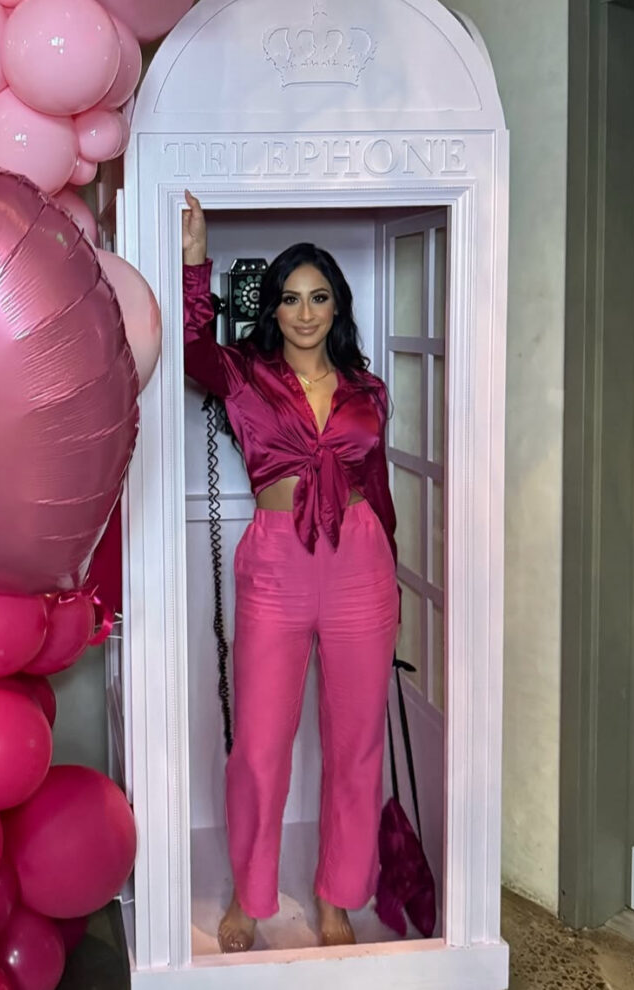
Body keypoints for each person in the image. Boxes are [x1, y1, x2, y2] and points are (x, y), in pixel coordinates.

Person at [182, 190, 400, 952]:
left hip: (360, 562)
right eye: (290, 299)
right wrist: (193, 260)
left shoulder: (367, 389)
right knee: (262, 744)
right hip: (276, 559)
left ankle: (339, 896)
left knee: (355, 741)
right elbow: (185, 349)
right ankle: (248, 896)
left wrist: (388, 574)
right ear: (271, 309)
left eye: (319, 297)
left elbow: (377, 488)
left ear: (336, 306)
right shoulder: (242, 374)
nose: (305, 312)